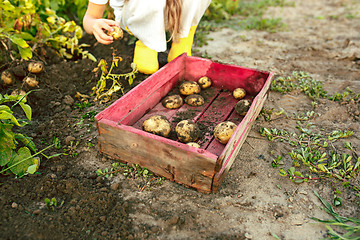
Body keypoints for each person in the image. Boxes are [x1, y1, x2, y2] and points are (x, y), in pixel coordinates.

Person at [83, 0, 211, 74]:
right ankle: (147, 45)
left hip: (174, 11)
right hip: (139, 14)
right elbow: (90, 17)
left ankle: (182, 40)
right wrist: (94, 24)